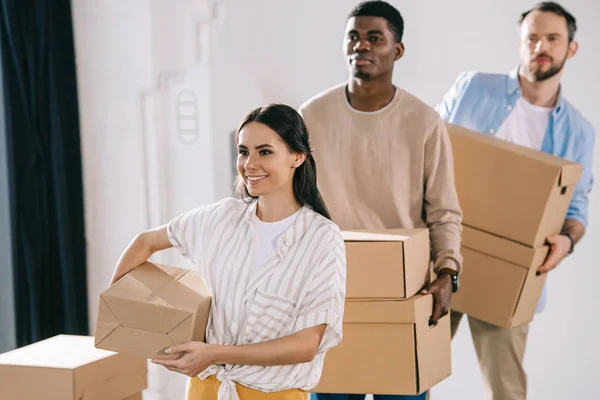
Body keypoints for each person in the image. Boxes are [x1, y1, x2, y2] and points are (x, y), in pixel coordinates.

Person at [109, 104, 347, 400]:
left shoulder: (321, 238)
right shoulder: (221, 218)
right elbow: (145, 242)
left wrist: (213, 353)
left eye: (264, 152)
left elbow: (306, 344)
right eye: (243, 151)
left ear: (297, 157)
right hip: (206, 390)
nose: (249, 164)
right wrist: (120, 312)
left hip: (273, 395)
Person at [300, 2, 463, 400]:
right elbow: (294, 205)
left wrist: (447, 272)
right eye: (353, 37)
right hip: (330, 289)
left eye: (375, 38)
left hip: (404, 289)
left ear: (397, 50)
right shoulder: (311, 117)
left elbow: (443, 209)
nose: (362, 46)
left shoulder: (424, 122)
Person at [437, 2, 595, 399]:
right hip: (441, 257)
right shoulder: (472, 87)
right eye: (532, 38)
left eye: (553, 39)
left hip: (513, 273)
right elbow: (428, 154)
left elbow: (576, 208)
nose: (541, 45)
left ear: (570, 49)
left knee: (506, 390)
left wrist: (568, 241)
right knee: (410, 374)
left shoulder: (578, 130)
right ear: (520, 43)